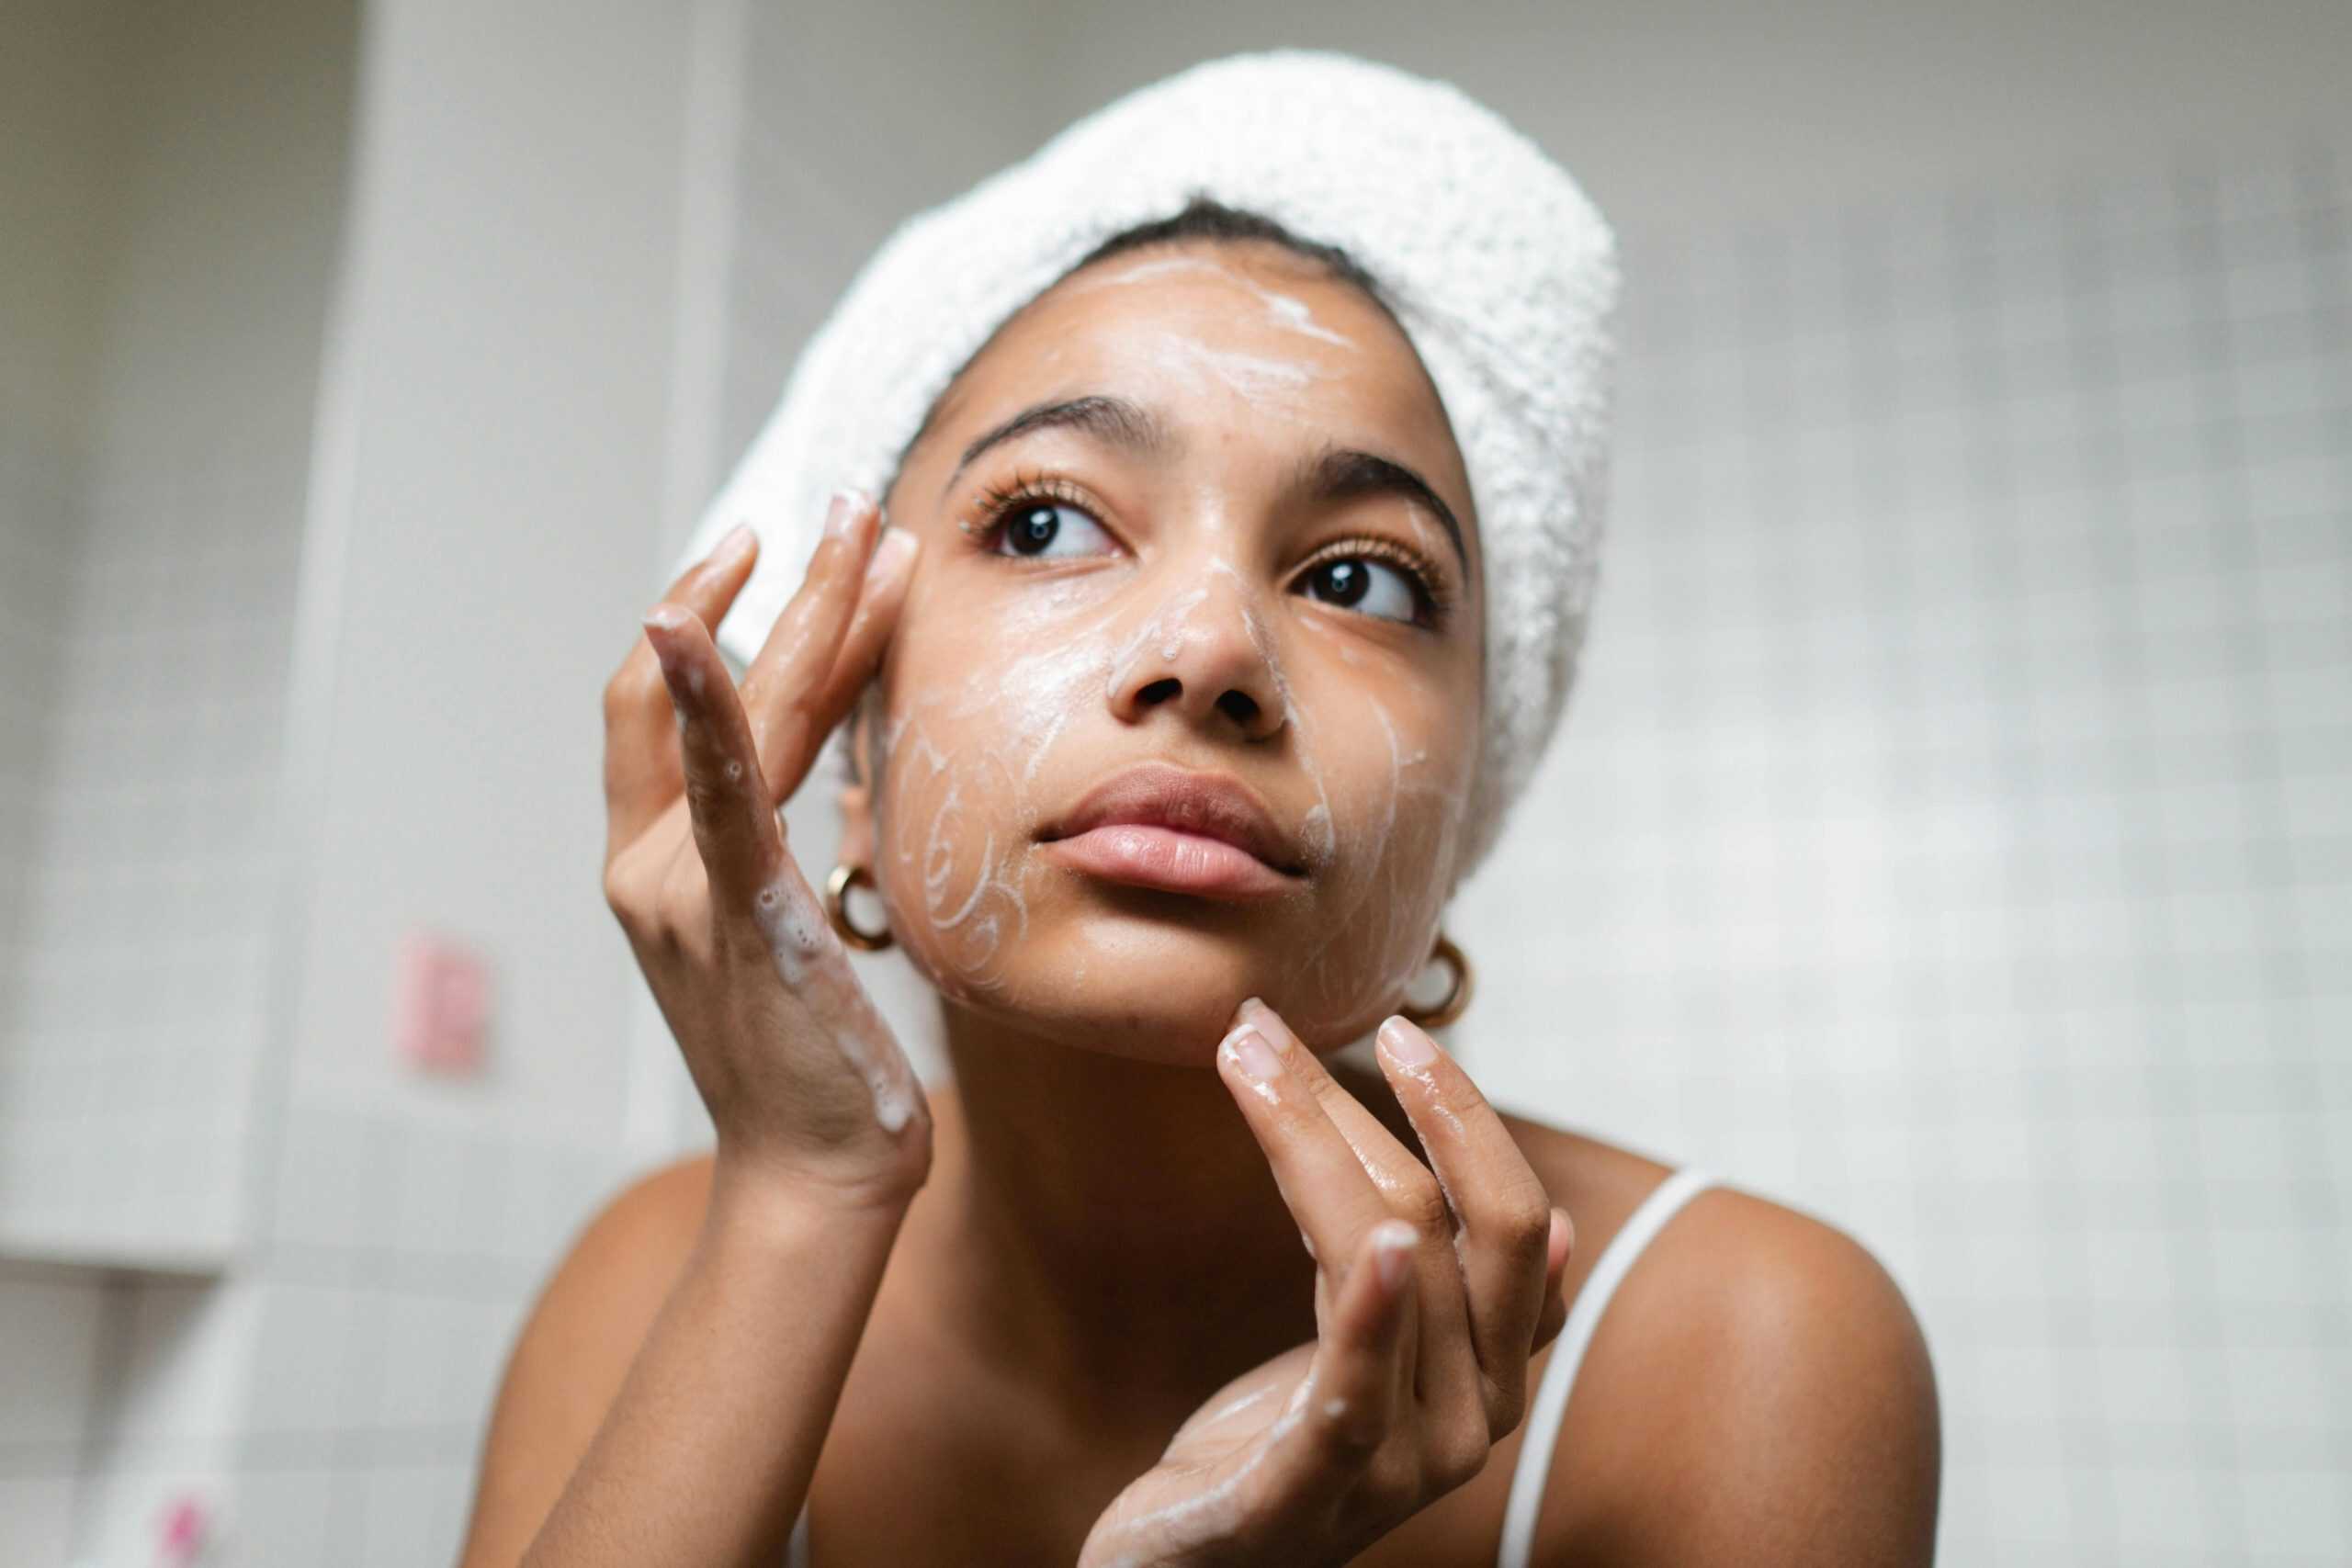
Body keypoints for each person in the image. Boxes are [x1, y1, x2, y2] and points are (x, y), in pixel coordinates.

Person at [458, 51, 1939, 1568]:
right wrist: (800, 1197)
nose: (1215, 648)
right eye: (1046, 523)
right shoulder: (653, 1282)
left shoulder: (1739, 1352)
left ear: (1467, 809)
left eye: (1360, 577)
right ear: (849, 737)